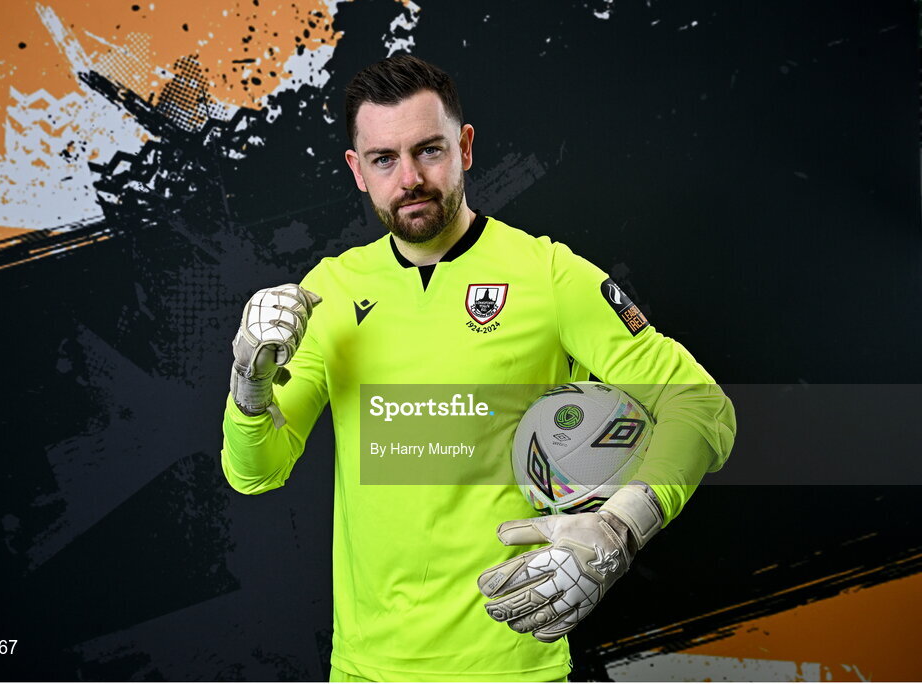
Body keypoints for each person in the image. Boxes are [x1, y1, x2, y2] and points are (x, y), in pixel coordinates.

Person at [222, 54, 736, 682]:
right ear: (357, 170)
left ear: (464, 147)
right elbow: (256, 472)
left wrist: (620, 526)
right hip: (365, 668)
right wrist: (249, 384)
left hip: (511, 664)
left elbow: (701, 406)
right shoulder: (329, 290)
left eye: (428, 150)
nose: (410, 178)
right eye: (383, 159)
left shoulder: (546, 275)